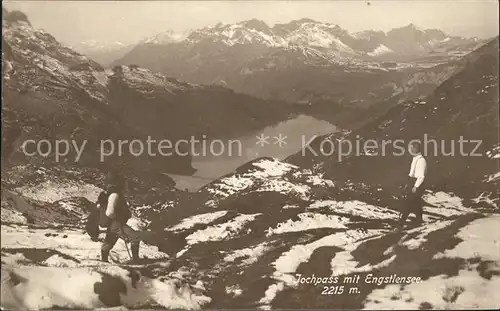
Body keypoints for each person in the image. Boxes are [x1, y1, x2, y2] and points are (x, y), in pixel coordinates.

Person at [100, 171, 141, 263]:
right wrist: (117, 219)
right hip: (117, 224)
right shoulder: (115, 195)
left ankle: (104, 261)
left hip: (112, 224)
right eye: (123, 183)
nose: (125, 185)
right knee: (135, 237)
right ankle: (136, 261)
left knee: (108, 243)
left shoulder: (111, 193)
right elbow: (109, 213)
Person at [399, 141, 427, 226]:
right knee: (416, 203)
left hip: (418, 184)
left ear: (415, 148)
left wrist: (415, 186)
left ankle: (402, 222)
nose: (409, 150)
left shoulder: (421, 161)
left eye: (410, 148)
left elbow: (421, 176)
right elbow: (411, 173)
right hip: (413, 182)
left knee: (409, 202)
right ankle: (419, 220)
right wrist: (408, 182)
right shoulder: (415, 159)